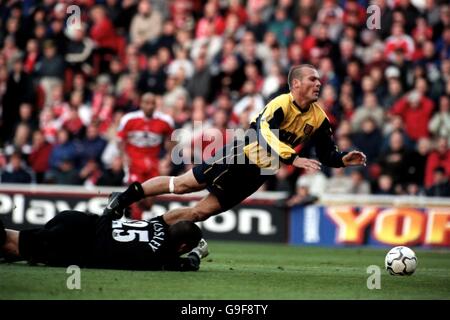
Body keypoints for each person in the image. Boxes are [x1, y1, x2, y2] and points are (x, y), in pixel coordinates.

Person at [104, 64, 367, 225]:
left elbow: (326, 153)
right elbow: (264, 133)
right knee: (183, 185)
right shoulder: (280, 104)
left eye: (319, 80)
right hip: (238, 156)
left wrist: (342, 159)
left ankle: (152, 228)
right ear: (296, 83)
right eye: (313, 79)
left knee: (200, 213)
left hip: (259, 173)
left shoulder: (320, 118)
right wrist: (292, 157)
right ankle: (122, 199)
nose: (319, 83)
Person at [0, 204, 209, 271]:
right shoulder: (161, 256)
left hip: (77, 220)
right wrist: (198, 253)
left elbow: (170, 215)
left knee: (18, 244)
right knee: (11, 246)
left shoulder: (156, 224)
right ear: (182, 246)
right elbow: (188, 265)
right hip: (75, 242)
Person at [118, 92, 174, 219]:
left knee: (149, 201)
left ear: (156, 105)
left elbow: (171, 140)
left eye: (152, 103)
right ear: (141, 104)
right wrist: (124, 157)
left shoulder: (165, 121)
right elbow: (120, 140)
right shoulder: (129, 119)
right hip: (134, 163)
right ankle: (134, 224)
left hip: (153, 164)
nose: (149, 106)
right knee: (135, 195)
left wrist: (168, 158)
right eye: (146, 103)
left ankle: (143, 221)